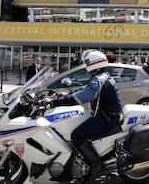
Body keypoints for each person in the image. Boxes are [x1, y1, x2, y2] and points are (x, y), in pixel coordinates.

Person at [42, 50, 122, 184]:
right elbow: (85, 89)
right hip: (106, 115)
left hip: (106, 118)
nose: (86, 65)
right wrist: (63, 94)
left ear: (93, 63)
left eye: (87, 62)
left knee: (76, 136)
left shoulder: (99, 79)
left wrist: (54, 102)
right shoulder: (101, 77)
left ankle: (96, 166)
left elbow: (82, 96)